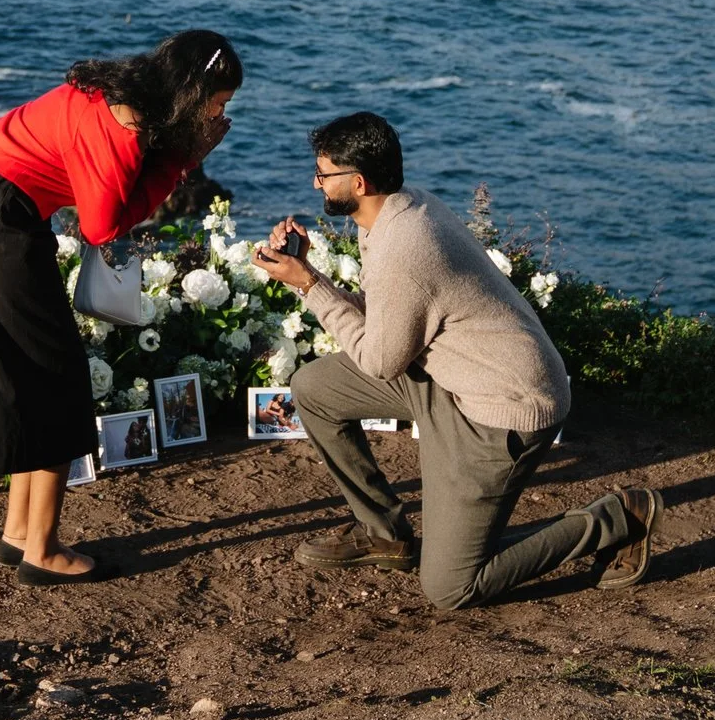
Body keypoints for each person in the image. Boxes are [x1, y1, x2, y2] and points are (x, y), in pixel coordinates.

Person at [253, 112, 657, 609]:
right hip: (453, 377)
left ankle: (618, 518)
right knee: (315, 388)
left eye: (323, 174)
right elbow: (394, 318)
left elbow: (379, 360)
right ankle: (384, 535)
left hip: (503, 412)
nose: (316, 183)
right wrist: (310, 271)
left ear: (357, 182)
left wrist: (309, 286)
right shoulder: (396, 210)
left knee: (449, 587)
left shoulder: (406, 242)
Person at [0, 28, 240, 584]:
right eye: (217, 104)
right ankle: (43, 551)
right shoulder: (125, 125)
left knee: (35, 375)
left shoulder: (119, 90)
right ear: (189, 94)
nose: (219, 115)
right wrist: (182, 158)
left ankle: (19, 532)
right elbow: (104, 225)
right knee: (55, 379)